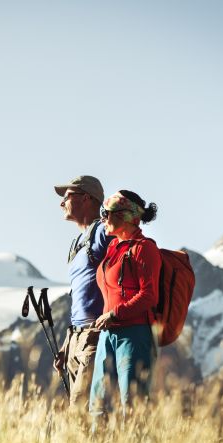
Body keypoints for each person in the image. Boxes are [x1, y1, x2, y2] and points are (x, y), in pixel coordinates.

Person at [89, 189, 161, 419]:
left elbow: (149, 295)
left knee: (131, 406)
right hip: (107, 336)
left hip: (135, 335)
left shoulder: (144, 249)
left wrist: (114, 314)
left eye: (110, 213)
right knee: (97, 405)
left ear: (131, 217)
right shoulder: (112, 250)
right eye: (103, 212)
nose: (104, 218)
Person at [53, 175, 113, 410]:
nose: (62, 203)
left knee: (80, 412)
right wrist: (67, 345)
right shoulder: (78, 243)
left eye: (67, 197)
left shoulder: (100, 232)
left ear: (86, 198)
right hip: (76, 339)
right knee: (81, 411)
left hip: (94, 338)